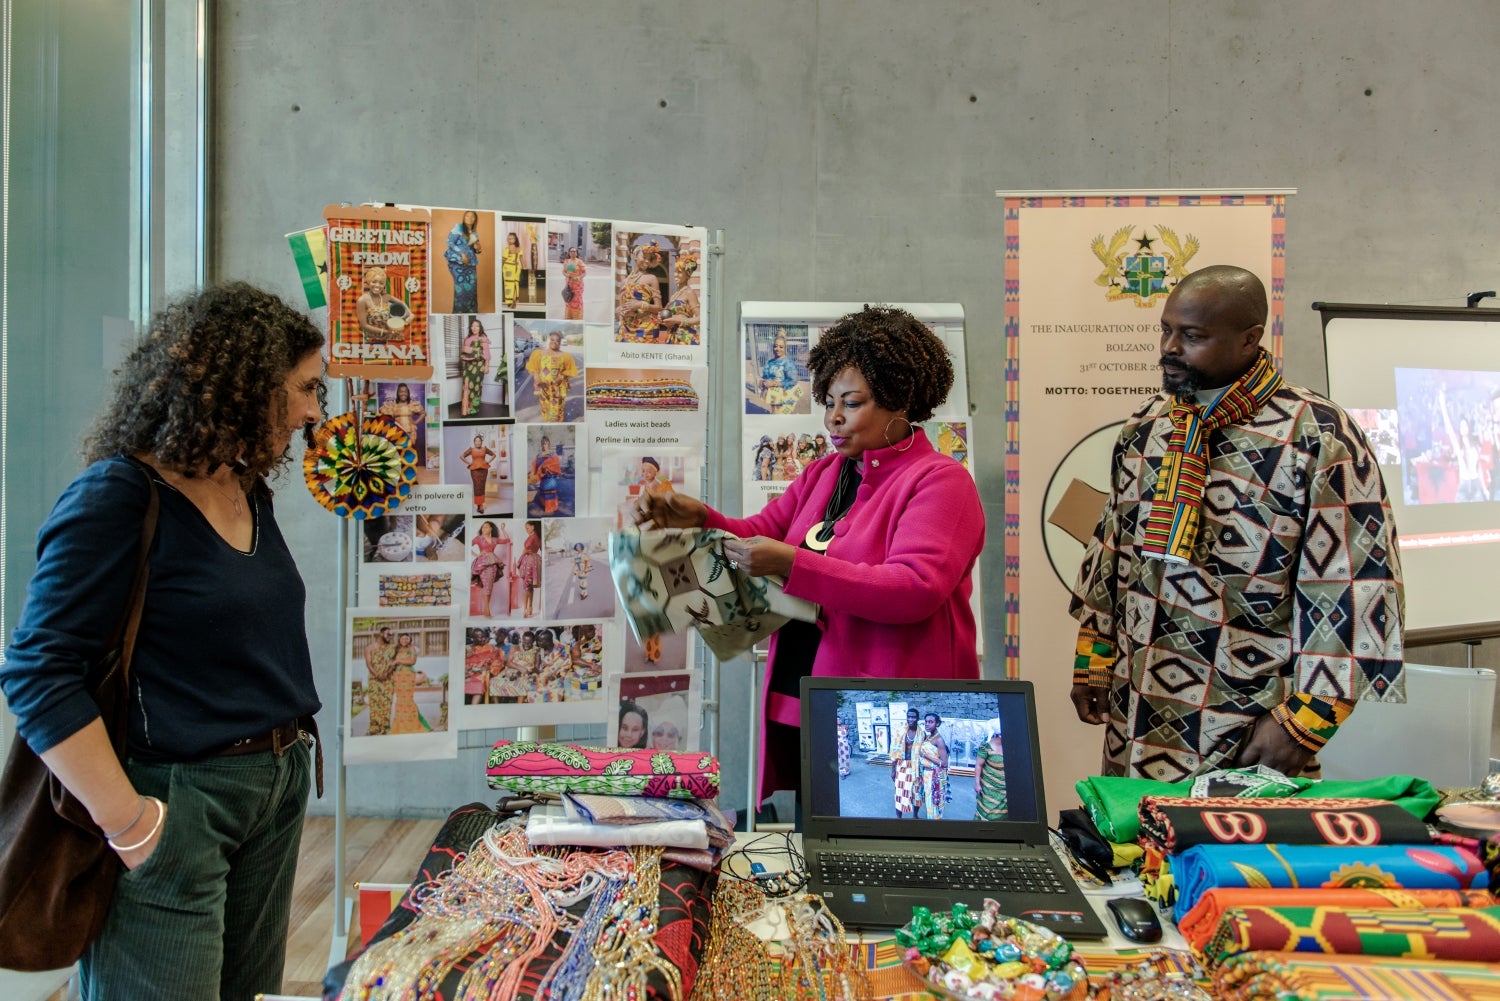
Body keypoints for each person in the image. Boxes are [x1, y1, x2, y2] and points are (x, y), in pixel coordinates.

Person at [0, 281, 324, 1000]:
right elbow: (35, 671)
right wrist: (134, 823)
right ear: (243, 383)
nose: (312, 410)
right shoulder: (118, 496)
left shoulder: (246, 488)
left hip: (274, 788)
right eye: (303, 388)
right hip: (178, 800)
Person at [637, 303, 984, 805]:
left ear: (900, 399)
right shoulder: (825, 473)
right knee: (816, 854)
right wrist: (701, 518)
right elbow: (762, 532)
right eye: (829, 402)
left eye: (852, 402)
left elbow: (915, 588)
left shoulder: (941, 483)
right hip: (805, 696)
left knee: (881, 843)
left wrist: (792, 565)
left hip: (888, 704)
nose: (834, 418)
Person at [1070, 265, 1405, 782]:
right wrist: (1092, 659)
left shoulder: (1317, 435)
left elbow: (1355, 584)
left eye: (1193, 336)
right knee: (1138, 857)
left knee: (1238, 864)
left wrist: (1306, 724)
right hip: (1137, 714)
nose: (1170, 348)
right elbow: (1110, 557)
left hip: (1252, 720)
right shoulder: (1149, 427)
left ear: (1250, 339)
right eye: (1166, 330)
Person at [1438, 384, 1487, 501]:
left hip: (1476, 484)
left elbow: (1479, 468)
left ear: (1469, 427)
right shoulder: (1458, 445)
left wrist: (1484, 489)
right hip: (1464, 485)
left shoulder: (1476, 445)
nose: (1463, 427)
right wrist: (1442, 404)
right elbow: (1448, 425)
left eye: (1465, 425)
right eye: (1461, 426)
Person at [525, 328, 579, 423]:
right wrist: (537, 377)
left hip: (558, 388)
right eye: (552, 339)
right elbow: (533, 367)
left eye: (557, 341)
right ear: (549, 340)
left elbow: (571, 371)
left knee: (557, 411)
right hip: (544, 387)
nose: (555, 342)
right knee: (545, 408)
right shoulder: (538, 354)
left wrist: (561, 377)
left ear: (560, 342)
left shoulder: (566, 356)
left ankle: (557, 424)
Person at [616, 242, 663, 343]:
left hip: (645, 329)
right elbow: (620, 307)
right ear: (635, 256)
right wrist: (621, 313)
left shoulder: (651, 279)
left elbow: (659, 308)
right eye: (644, 257)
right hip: (625, 329)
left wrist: (639, 305)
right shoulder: (625, 281)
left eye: (649, 259)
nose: (647, 261)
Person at [388, 633, 430, 734]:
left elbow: (412, 661)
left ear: (410, 640)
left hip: (407, 675)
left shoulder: (412, 648)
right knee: (399, 699)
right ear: (399, 640)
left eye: (407, 638)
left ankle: (412, 724)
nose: (404, 640)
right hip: (398, 676)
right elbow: (391, 662)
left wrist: (398, 660)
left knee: (407, 699)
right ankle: (400, 724)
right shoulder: (397, 649)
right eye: (402, 638)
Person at [658, 250, 700, 345]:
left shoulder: (689, 292)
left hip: (685, 338)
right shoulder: (674, 295)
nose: (675, 275)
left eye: (679, 272)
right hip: (671, 337)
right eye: (675, 272)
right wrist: (661, 318)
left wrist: (679, 320)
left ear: (687, 275)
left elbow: (700, 318)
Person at [444, 210, 483, 313]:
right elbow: (450, 242)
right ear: (464, 218)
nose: (470, 218)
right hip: (457, 262)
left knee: (471, 289)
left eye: (472, 216)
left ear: (475, 219)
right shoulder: (458, 228)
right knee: (461, 289)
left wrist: (478, 248)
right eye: (467, 216)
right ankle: (459, 313)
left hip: (471, 263)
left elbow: (476, 250)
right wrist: (461, 253)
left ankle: (471, 314)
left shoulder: (474, 233)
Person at [355, 266, 406, 343]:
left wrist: (410, 316)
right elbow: (364, 325)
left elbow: (402, 303)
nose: (377, 285)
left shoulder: (386, 297)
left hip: (391, 339)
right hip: (372, 340)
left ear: (384, 285)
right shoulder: (362, 300)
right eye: (374, 282)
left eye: (381, 283)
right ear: (368, 282)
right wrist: (385, 332)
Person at [760, 329, 804, 414]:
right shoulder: (770, 362)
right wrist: (763, 382)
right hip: (773, 396)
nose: (777, 349)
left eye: (781, 347)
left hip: (785, 395)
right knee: (774, 413)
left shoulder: (788, 362)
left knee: (781, 417)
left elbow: (793, 380)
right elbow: (766, 375)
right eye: (775, 346)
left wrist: (774, 383)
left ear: (785, 348)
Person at [915, 713, 950, 820]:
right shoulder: (929, 737)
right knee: (929, 802)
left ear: (937, 723)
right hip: (926, 774)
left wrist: (925, 755)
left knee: (934, 803)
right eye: (926, 722)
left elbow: (944, 763)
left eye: (931, 722)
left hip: (935, 776)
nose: (927, 724)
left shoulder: (938, 740)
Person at [363, 625, 397, 734]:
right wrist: (377, 674)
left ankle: (385, 727)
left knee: (387, 702)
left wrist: (386, 673)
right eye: (388, 634)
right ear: (381, 634)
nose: (389, 637)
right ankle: (375, 728)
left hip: (388, 679)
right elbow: (368, 663)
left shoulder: (392, 648)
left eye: (391, 635)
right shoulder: (370, 648)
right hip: (374, 680)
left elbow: (394, 662)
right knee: (375, 702)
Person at [470, 520, 506, 616]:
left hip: (493, 563)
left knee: (489, 586)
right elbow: (467, 546)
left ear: (491, 529)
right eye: (483, 527)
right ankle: (486, 609)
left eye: (486, 527)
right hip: (482, 564)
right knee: (486, 585)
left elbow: (507, 540)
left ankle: (486, 608)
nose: (483, 528)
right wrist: (477, 554)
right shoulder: (478, 538)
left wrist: (503, 529)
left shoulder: (495, 539)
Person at [891, 708, 921, 818]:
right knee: (900, 793)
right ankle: (899, 818)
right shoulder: (900, 731)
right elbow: (894, 751)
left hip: (916, 768)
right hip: (902, 766)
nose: (911, 719)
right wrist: (893, 770)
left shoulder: (921, 733)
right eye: (909, 716)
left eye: (913, 717)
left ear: (917, 718)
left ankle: (915, 816)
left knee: (916, 793)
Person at [458, 317, 491, 417]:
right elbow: (464, 351)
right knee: (466, 386)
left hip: (478, 365)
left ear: (480, 327)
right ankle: (465, 409)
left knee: (476, 387)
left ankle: (474, 409)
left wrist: (486, 366)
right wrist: (467, 350)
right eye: (472, 326)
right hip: (468, 366)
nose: (474, 328)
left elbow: (487, 354)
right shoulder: (467, 338)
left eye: (477, 326)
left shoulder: (483, 338)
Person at [973, 730, 1008, 821]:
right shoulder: (987, 746)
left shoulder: (1014, 746)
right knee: (986, 812)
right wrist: (977, 783)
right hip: (988, 787)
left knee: (1002, 815)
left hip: (1004, 789)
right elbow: (978, 765)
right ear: (999, 735)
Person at [461, 433, 496, 514]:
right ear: (474, 442)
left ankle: (481, 504)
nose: (478, 442)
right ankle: (479, 505)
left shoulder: (484, 449)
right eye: (476, 441)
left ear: (481, 442)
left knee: (482, 487)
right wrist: (469, 463)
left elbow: (494, 455)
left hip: (484, 470)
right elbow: (462, 456)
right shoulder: (471, 449)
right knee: (477, 487)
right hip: (474, 471)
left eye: (479, 441)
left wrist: (488, 461)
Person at [529, 435, 564, 515]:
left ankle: (551, 508)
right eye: (543, 443)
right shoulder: (539, 455)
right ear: (542, 444)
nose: (545, 445)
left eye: (546, 443)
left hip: (550, 479)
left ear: (549, 444)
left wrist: (547, 467)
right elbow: (534, 465)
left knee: (550, 493)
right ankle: (546, 506)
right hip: (542, 479)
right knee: (544, 494)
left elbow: (556, 465)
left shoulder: (553, 454)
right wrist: (534, 473)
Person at [518, 519, 543, 618]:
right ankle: (530, 607)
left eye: (527, 527)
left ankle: (525, 609)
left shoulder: (532, 537)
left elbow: (526, 549)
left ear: (533, 527)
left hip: (529, 560)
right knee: (530, 586)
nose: (526, 530)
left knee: (525, 586)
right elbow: (541, 549)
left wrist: (522, 555)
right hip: (535, 560)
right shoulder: (539, 537)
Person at [562, 245, 586, 320]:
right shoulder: (566, 261)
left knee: (577, 300)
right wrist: (567, 275)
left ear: (576, 253)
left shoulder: (579, 261)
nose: (573, 252)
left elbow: (584, 273)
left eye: (574, 251)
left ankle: (577, 318)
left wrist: (579, 277)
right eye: (571, 251)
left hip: (578, 285)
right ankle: (569, 317)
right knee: (569, 300)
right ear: (569, 253)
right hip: (569, 284)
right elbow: (563, 271)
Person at [502, 231, 523, 308]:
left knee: (509, 285)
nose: (510, 240)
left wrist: (500, 268)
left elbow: (503, 260)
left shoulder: (507, 248)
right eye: (509, 238)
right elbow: (521, 259)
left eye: (512, 238)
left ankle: (510, 301)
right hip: (513, 268)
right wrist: (524, 267)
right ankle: (513, 300)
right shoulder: (518, 248)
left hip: (510, 268)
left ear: (515, 239)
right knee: (514, 284)